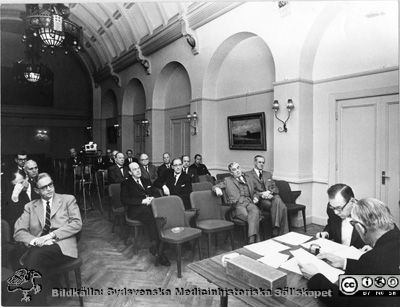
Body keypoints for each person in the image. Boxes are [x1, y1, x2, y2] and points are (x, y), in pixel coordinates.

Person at [298, 198, 400, 307]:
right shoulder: (395, 234)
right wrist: (344, 262)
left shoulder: (373, 259)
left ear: (360, 227)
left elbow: (345, 301)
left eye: (353, 223)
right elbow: (385, 282)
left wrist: (315, 277)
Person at [13, 173, 82, 305]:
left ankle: (29, 302)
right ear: (36, 190)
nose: (49, 189)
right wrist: (35, 241)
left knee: (33, 257)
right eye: (44, 187)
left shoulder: (68, 200)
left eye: (50, 185)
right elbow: (18, 231)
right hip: (39, 248)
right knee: (36, 258)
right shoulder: (30, 207)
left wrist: (50, 236)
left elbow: (76, 223)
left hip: (62, 245)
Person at [120, 162, 170, 266]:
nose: (138, 170)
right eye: (134, 169)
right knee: (152, 217)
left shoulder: (145, 180)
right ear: (130, 172)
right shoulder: (126, 183)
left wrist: (153, 198)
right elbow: (124, 200)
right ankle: (158, 247)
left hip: (149, 207)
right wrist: (142, 201)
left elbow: (153, 191)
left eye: (138, 168)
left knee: (159, 213)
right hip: (135, 210)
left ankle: (158, 243)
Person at [213, 162, 260, 244]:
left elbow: (256, 191)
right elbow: (215, 186)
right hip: (237, 205)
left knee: (255, 211)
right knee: (253, 217)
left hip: (249, 202)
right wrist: (217, 189)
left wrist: (256, 197)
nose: (237, 171)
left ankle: (252, 240)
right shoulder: (227, 180)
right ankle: (254, 239)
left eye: (238, 168)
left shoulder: (248, 179)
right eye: (234, 170)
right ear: (231, 173)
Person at [245, 155, 288, 236]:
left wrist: (269, 192)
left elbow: (275, 188)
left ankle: (275, 228)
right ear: (255, 162)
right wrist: (262, 194)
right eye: (259, 162)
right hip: (260, 199)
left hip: (271, 196)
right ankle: (279, 230)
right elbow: (250, 191)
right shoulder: (248, 175)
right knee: (282, 206)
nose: (261, 164)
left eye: (263, 163)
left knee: (277, 199)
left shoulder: (268, 174)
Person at [316, 184, 364, 249]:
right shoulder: (331, 209)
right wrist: (326, 233)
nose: (335, 212)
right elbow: (331, 225)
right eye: (333, 208)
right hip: (338, 253)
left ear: (352, 201)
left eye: (339, 208)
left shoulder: (367, 214)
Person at [7, 160, 41, 234]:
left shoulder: (42, 180)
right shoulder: (20, 183)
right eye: (31, 169)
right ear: (25, 171)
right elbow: (14, 201)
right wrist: (20, 190)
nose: (34, 170)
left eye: (36, 168)